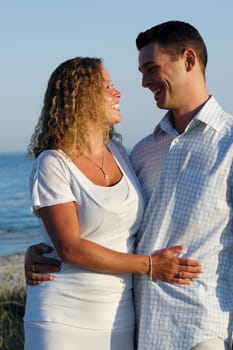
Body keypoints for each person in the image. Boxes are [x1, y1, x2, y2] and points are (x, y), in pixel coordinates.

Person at [23, 56, 202, 350]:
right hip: (61, 316)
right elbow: (69, 248)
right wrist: (149, 265)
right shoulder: (52, 163)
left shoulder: (121, 154)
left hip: (119, 316)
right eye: (106, 86)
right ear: (80, 97)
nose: (117, 93)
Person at [131, 21, 233, 350]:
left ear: (188, 60)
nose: (144, 82)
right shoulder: (142, 151)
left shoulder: (230, 143)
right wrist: (46, 250)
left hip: (202, 329)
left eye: (151, 68)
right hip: (141, 328)